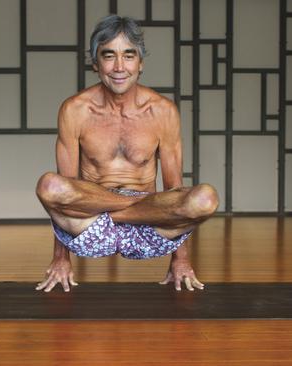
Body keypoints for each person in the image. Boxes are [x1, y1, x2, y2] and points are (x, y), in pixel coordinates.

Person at [35, 15, 219, 293]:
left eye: (129, 56)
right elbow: (66, 189)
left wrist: (181, 261)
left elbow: (173, 188)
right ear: (96, 64)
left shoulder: (162, 111)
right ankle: (122, 210)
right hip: (89, 225)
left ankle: (122, 212)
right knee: (50, 186)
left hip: (151, 226)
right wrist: (61, 260)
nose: (119, 67)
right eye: (108, 56)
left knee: (205, 198)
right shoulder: (75, 110)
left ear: (140, 63)